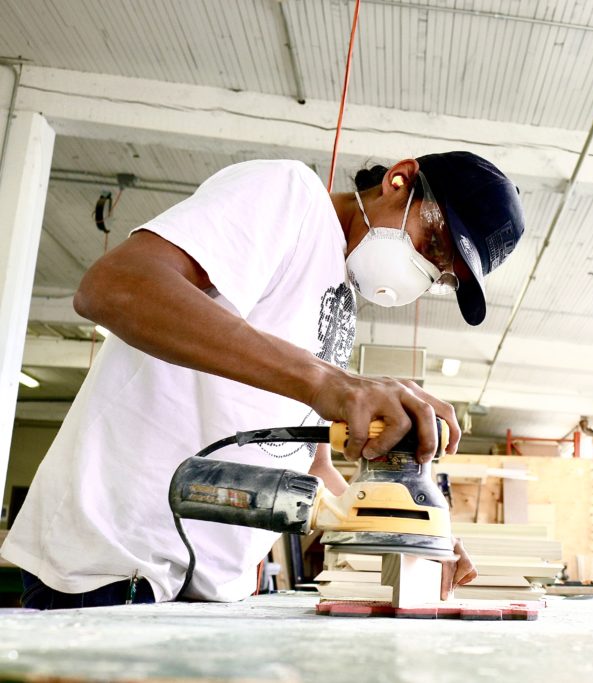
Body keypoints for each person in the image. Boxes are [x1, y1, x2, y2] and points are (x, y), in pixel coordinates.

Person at [1, 151, 525, 609]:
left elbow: (307, 460)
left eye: (442, 272)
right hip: (112, 568)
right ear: (399, 180)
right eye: (433, 242)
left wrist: (401, 529)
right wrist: (331, 382)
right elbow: (113, 287)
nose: (426, 269)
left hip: (207, 591)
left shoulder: (340, 299)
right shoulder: (290, 197)